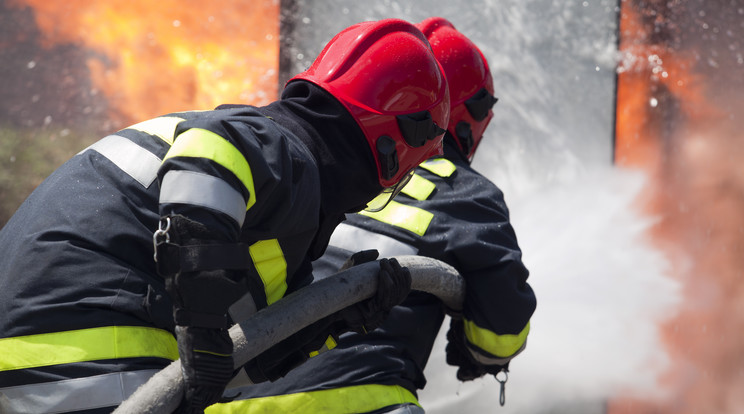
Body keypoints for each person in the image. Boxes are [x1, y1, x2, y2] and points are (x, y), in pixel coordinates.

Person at [0, 19, 451, 414]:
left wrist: (336, 319)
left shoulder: (263, 207)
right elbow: (211, 153)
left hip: (38, 356)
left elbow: (232, 363)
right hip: (86, 352)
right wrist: (202, 325)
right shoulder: (280, 149)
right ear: (392, 149)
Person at [209, 17, 537, 414]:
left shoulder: (306, 170)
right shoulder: (464, 193)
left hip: (228, 400)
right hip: (359, 402)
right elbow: (500, 333)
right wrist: (476, 348)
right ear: (468, 114)